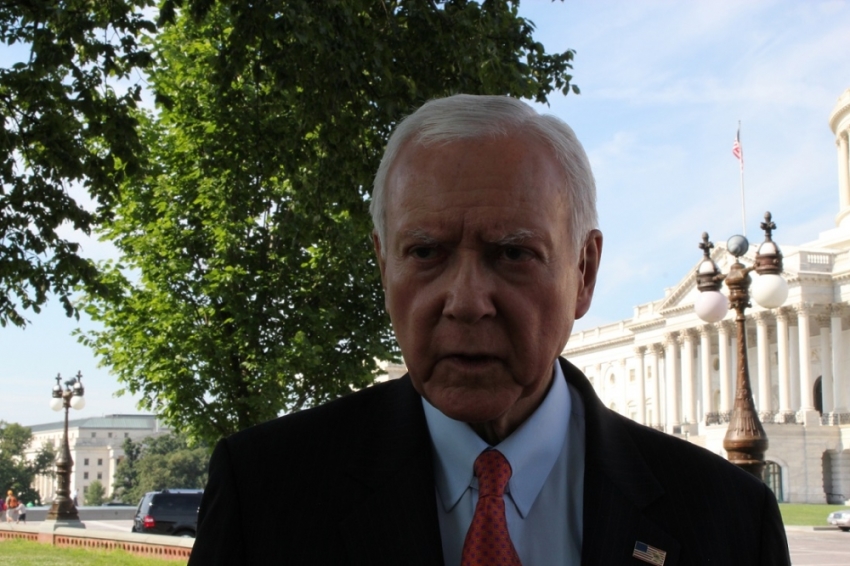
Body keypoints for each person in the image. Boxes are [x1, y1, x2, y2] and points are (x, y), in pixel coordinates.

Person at [190, 94, 791, 565]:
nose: (467, 302)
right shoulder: (266, 493)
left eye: (512, 253)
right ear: (383, 266)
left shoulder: (729, 521)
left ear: (584, 272)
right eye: (426, 252)